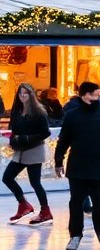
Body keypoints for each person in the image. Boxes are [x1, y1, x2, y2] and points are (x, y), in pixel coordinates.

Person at [54, 81, 100, 250]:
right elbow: (64, 140)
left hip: (99, 166)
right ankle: (75, 235)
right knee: (76, 203)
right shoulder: (72, 116)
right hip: (77, 167)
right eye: (95, 94)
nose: (98, 97)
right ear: (84, 95)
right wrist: (58, 161)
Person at [4, 83, 52, 225]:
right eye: (20, 93)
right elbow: (13, 130)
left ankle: (45, 211)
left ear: (31, 94)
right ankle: (23, 204)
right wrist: (13, 139)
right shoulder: (16, 111)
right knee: (7, 178)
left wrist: (26, 138)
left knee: (35, 182)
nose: (22, 96)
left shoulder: (39, 111)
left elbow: (45, 132)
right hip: (21, 150)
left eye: (25, 93)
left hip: (34, 150)